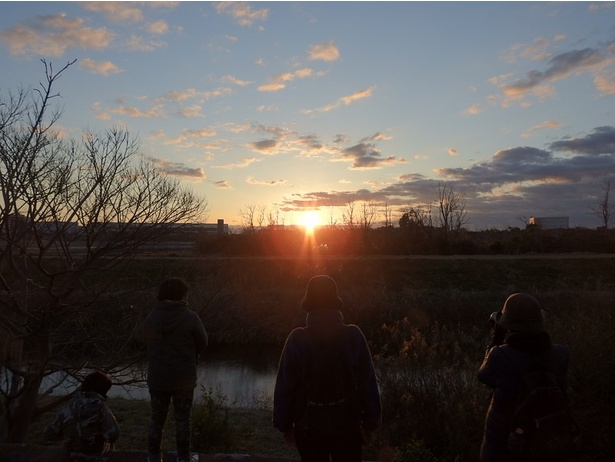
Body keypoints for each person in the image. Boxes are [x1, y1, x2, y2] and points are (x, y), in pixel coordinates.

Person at [273, 274, 382, 462]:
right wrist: (369, 424)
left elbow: (285, 387)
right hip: (347, 426)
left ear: (308, 304)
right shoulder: (353, 336)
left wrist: (285, 425)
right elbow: (368, 384)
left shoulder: (296, 339)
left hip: (307, 428)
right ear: (336, 302)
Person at [477, 293, 569, 462]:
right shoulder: (561, 354)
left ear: (509, 325)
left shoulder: (500, 356)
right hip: (546, 437)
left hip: (503, 443)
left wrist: (497, 336)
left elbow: (483, 377)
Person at [143, 277, 208, 462]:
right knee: (183, 420)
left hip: (157, 378)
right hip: (184, 379)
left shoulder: (151, 317)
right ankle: (183, 458)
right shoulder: (190, 317)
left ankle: (154, 457)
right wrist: (190, 354)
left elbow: (147, 342)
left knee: (156, 420)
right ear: (181, 295)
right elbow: (203, 343)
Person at [44, 370, 120, 462]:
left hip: (70, 458)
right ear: (104, 390)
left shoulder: (68, 407)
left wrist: (71, 435)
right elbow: (113, 434)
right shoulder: (100, 407)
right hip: (94, 458)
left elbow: (49, 434)